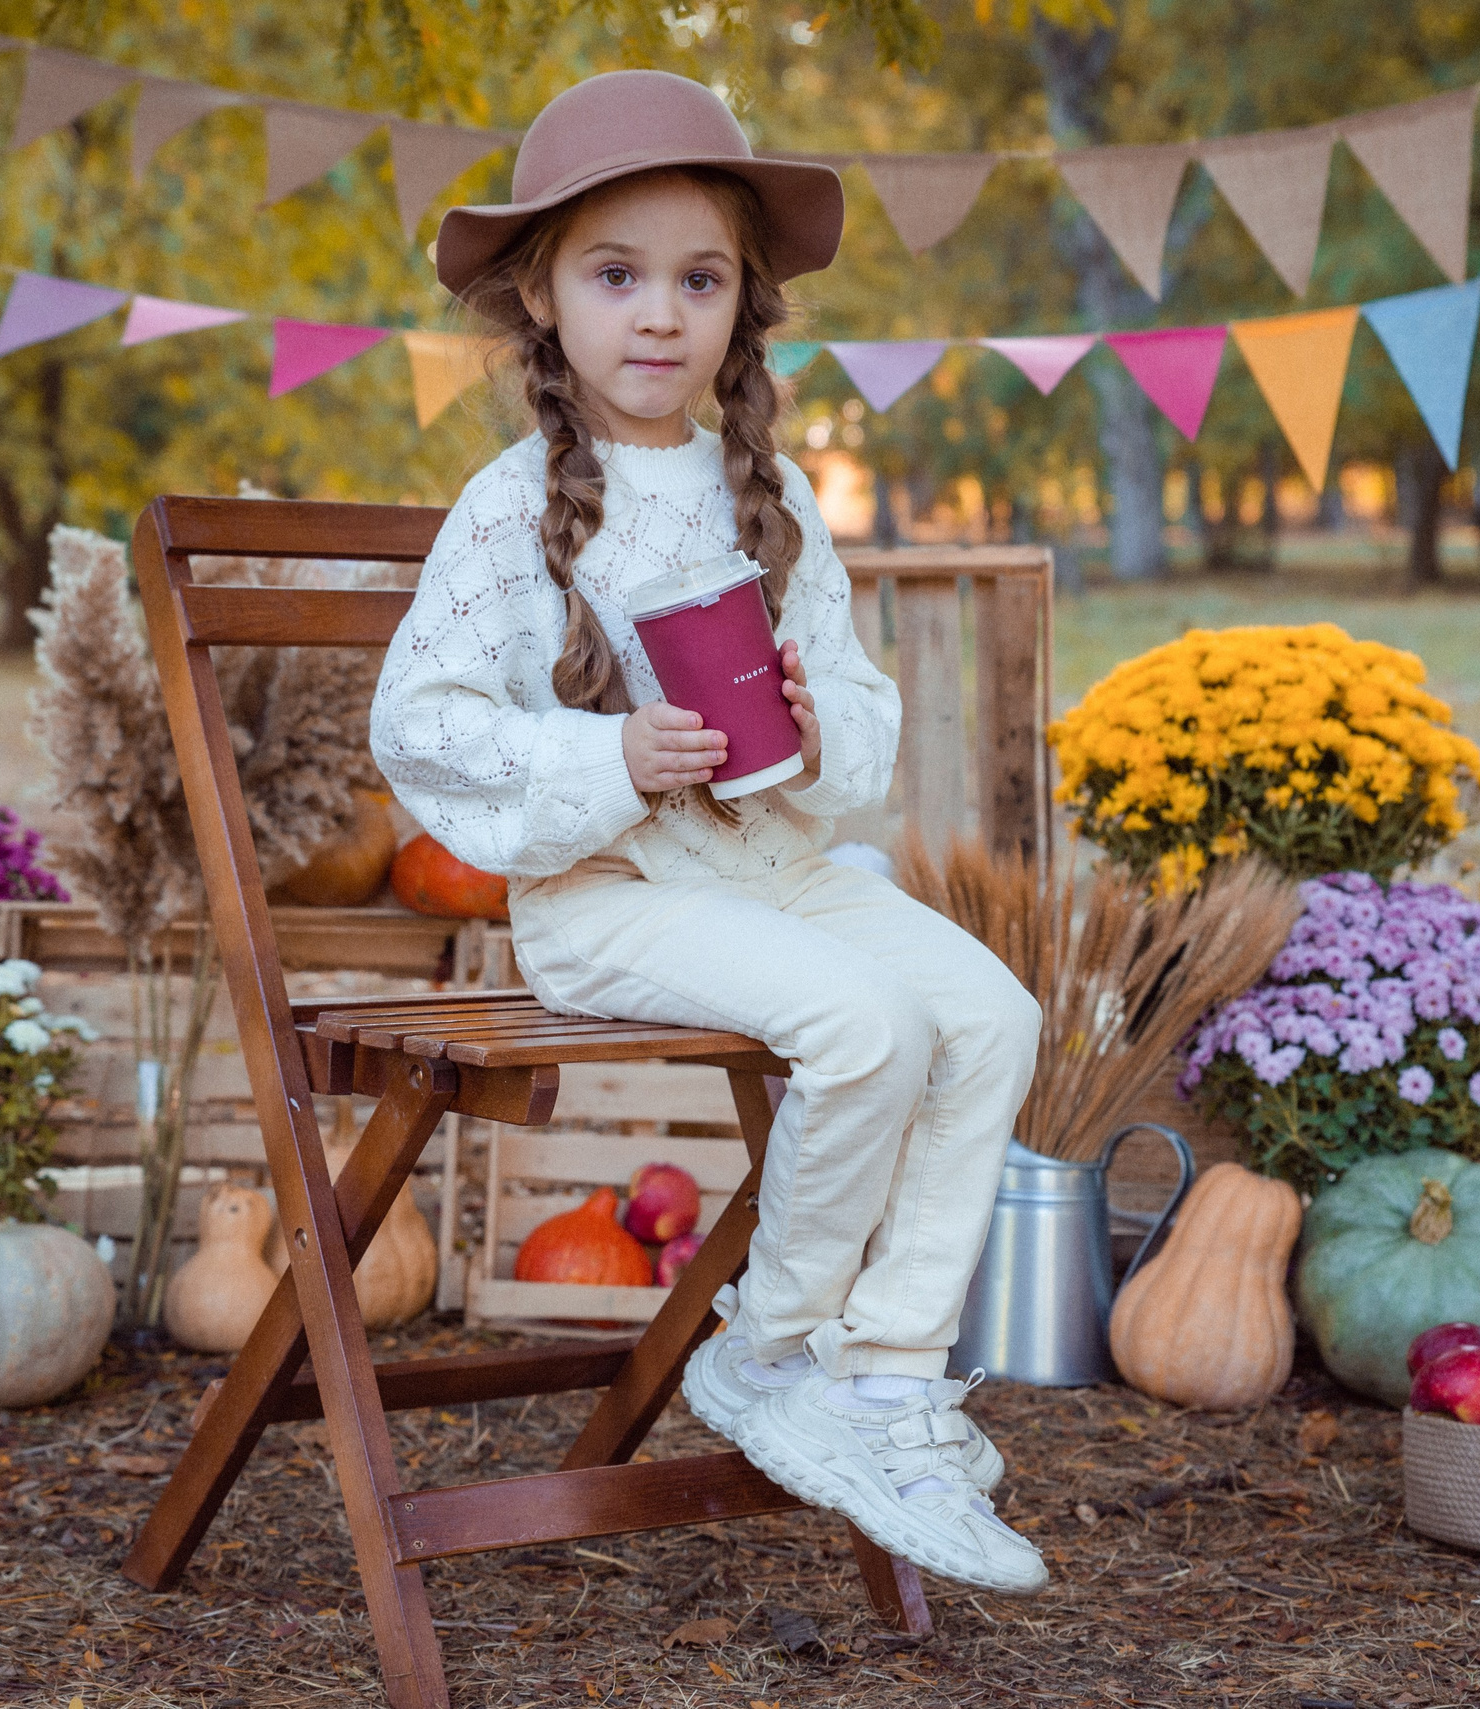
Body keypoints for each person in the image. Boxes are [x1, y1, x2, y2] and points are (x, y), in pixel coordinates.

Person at [370, 70, 1045, 1595]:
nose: (659, 316)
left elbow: (856, 714)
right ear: (543, 297)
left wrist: (812, 724)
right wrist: (608, 753)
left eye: (700, 279)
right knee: (866, 1022)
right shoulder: (509, 508)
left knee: (994, 1014)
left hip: (772, 868)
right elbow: (422, 721)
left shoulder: (774, 494)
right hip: (605, 892)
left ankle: (885, 1372)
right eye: (618, 276)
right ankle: (771, 1347)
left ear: (744, 307)